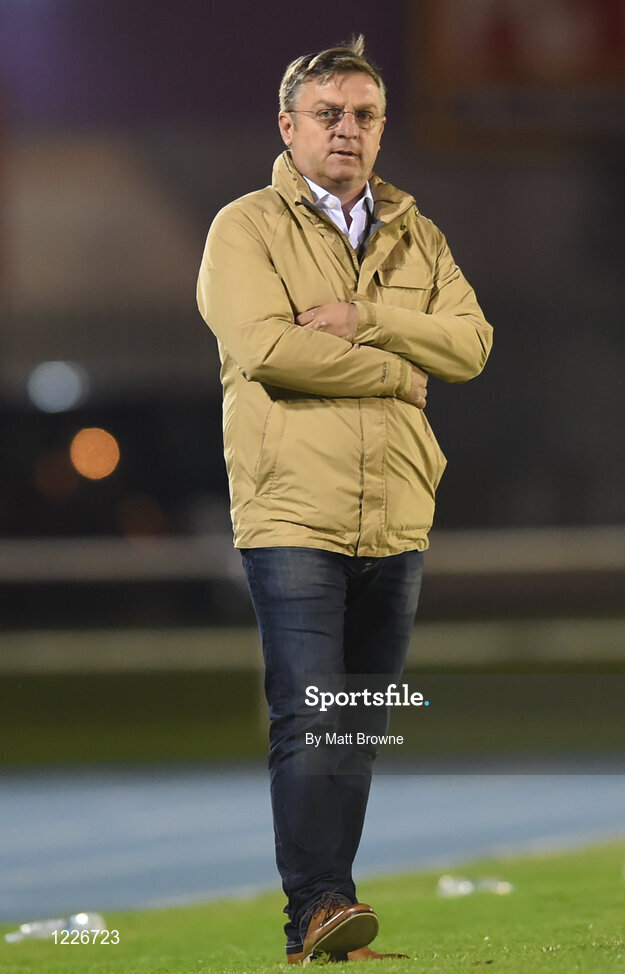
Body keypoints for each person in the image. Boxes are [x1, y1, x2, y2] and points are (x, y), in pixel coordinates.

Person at [197, 35, 493, 965]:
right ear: (288, 128)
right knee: (310, 712)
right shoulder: (243, 228)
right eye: (328, 114)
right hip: (292, 510)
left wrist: (369, 319)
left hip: (396, 512)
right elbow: (267, 348)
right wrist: (396, 376)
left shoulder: (418, 232)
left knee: (360, 719)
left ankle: (335, 914)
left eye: (364, 115)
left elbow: (473, 343)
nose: (348, 130)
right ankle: (317, 908)